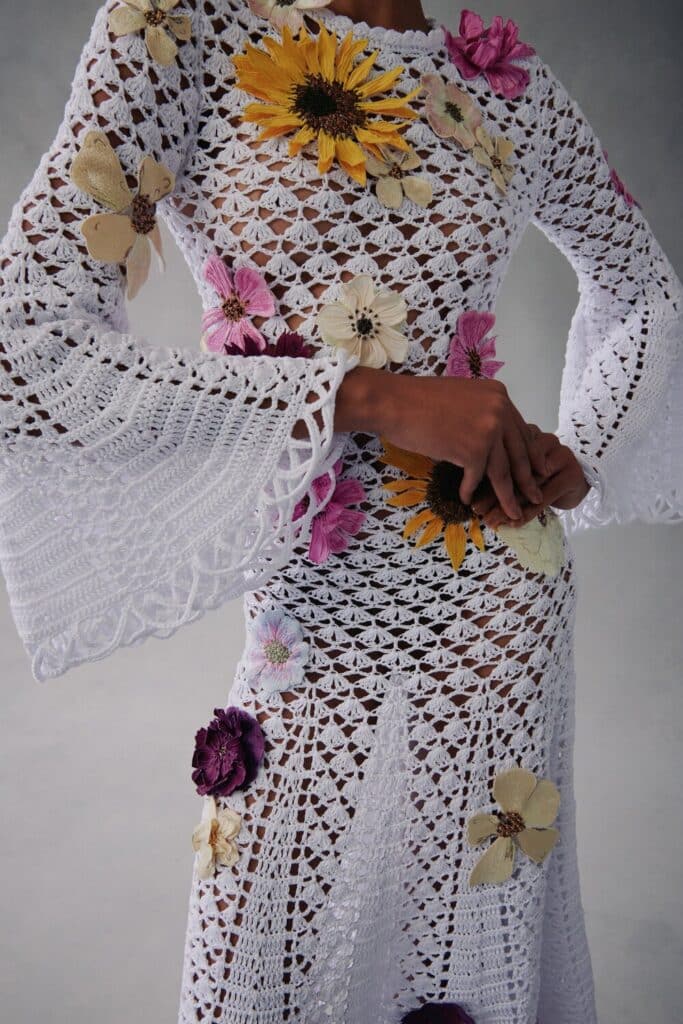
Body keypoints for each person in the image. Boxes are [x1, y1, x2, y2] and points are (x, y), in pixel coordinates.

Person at [0, 1, 681, 1021]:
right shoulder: (179, 34)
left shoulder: (501, 85)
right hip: (307, 631)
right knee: (264, 966)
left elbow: (645, 290)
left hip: (499, 625)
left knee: (461, 980)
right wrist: (364, 395)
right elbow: (28, 341)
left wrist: (579, 451)